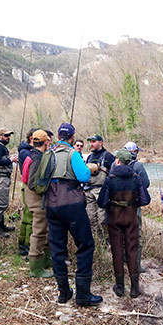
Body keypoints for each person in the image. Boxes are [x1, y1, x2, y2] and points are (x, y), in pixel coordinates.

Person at [46, 123, 102, 307]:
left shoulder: (49, 154)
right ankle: (83, 295)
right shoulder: (73, 154)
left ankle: (63, 293)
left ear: (57, 136)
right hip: (72, 205)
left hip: (51, 204)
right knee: (85, 245)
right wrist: (91, 168)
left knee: (57, 249)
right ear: (71, 138)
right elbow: (84, 176)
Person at [97, 149, 150, 298]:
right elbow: (146, 200)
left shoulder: (110, 178)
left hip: (114, 219)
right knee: (132, 251)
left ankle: (120, 287)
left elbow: (101, 202)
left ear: (118, 161)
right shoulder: (136, 178)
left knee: (117, 251)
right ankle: (134, 289)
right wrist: (132, 204)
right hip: (131, 219)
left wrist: (112, 205)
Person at [22, 129, 54, 278]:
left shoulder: (32, 155)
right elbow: (32, 182)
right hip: (37, 199)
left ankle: (46, 261)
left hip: (35, 198)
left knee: (45, 230)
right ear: (45, 142)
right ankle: (35, 268)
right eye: (48, 141)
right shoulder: (37, 158)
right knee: (39, 232)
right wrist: (44, 189)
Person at [123, 141, 150, 273]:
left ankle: (123, 260)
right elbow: (146, 183)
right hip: (133, 205)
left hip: (118, 206)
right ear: (134, 152)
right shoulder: (138, 165)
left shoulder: (115, 164)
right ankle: (136, 265)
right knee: (135, 234)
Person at [84, 134, 115, 241]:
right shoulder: (89, 157)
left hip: (101, 191)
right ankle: (97, 242)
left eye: (93, 141)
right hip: (88, 191)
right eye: (90, 142)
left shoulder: (108, 156)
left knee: (102, 219)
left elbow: (113, 175)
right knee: (91, 218)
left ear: (100, 142)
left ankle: (107, 241)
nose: (91, 144)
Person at [0, 128, 18, 237]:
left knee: (2, 202)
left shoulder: (1, 147)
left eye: (9, 136)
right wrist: (11, 159)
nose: (8, 138)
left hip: (3, 177)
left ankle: (1, 225)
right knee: (2, 203)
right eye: (6, 136)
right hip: (1, 178)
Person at [17, 128, 38, 255]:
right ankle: (26, 245)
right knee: (30, 216)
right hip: (29, 186)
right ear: (31, 138)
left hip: (27, 185)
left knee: (27, 215)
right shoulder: (26, 152)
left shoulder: (26, 151)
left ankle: (23, 244)